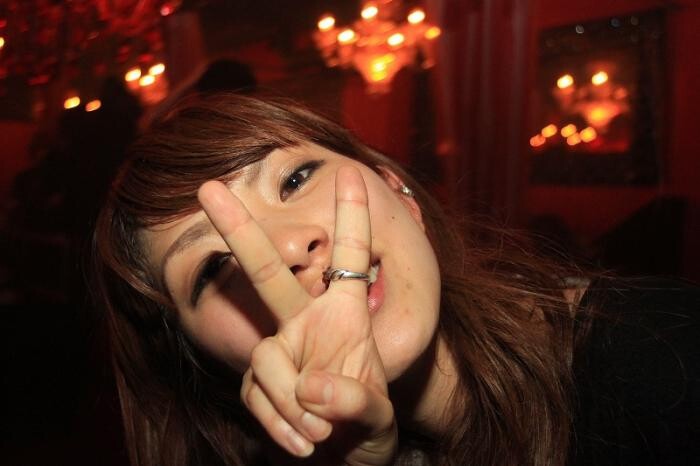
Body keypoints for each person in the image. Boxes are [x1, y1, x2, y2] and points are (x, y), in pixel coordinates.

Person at [92, 93, 699, 466]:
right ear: (199, 359)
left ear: (398, 191)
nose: (287, 247)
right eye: (217, 265)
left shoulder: (663, 354)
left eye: (296, 179)